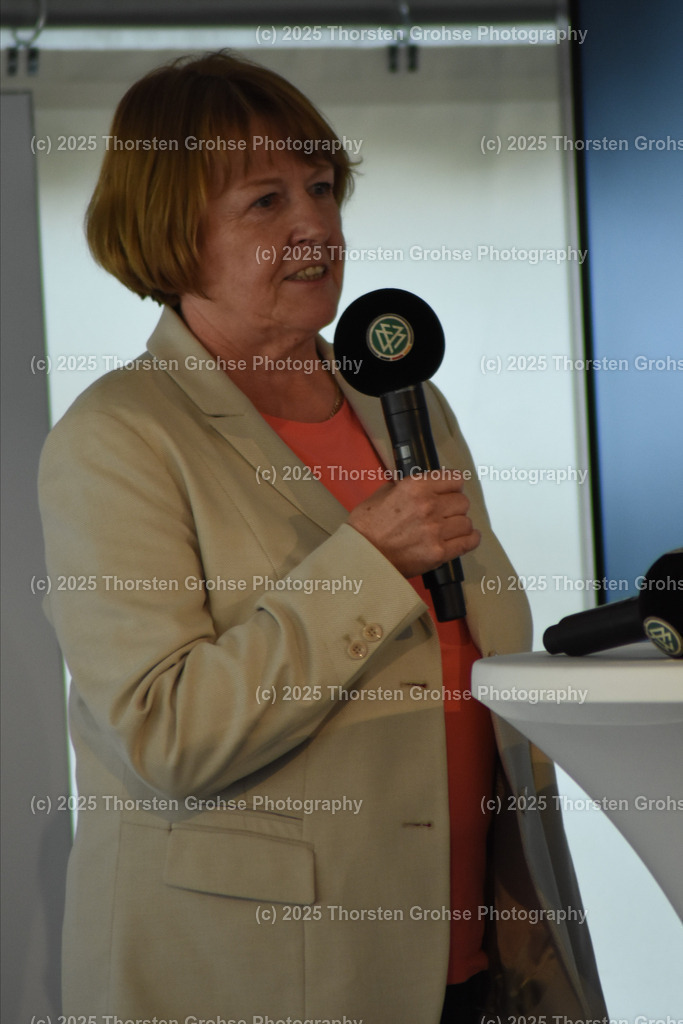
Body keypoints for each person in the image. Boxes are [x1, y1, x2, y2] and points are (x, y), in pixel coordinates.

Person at [38, 51, 606, 1022]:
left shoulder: (402, 397)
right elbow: (165, 732)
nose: (316, 224)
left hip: (475, 947)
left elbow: (468, 646)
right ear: (175, 231)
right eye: (265, 201)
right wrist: (368, 560)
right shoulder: (119, 434)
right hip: (270, 971)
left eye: (322, 186)